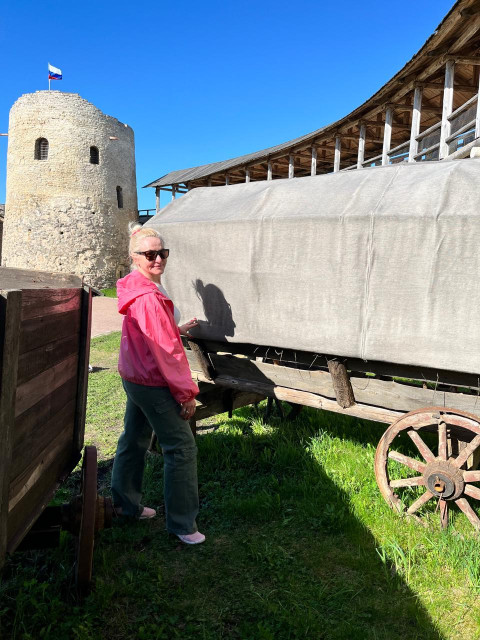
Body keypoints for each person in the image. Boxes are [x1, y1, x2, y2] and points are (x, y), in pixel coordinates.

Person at [111, 223, 205, 544]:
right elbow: (165, 351)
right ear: (134, 257)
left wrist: (174, 326)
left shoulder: (136, 286)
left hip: (135, 376)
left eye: (162, 253)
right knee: (180, 447)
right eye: (149, 254)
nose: (157, 259)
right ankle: (182, 525)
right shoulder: (148, 296)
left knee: (134, 439)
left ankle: (125, 506)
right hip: (152, 380)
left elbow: (153, 333)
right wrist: (186, 393)